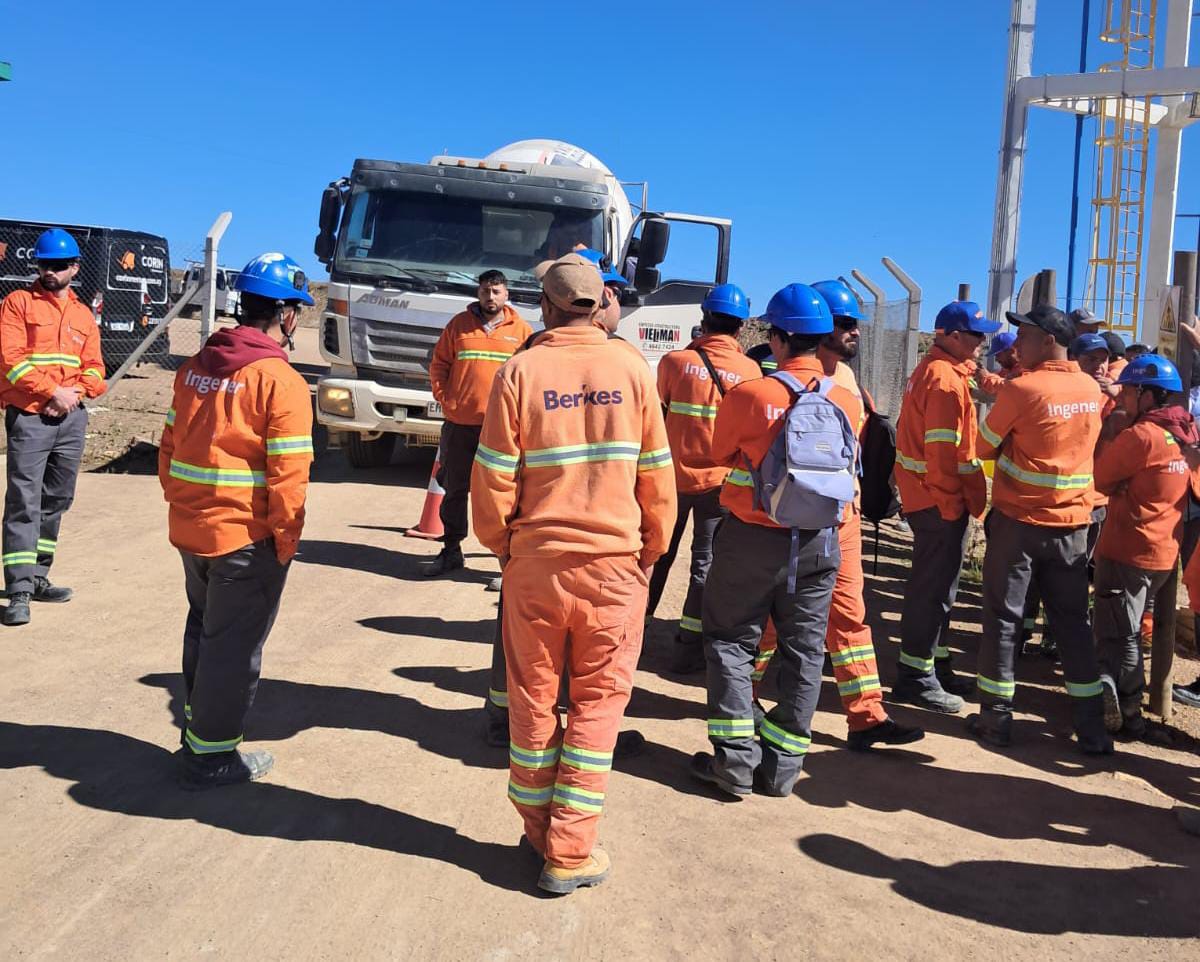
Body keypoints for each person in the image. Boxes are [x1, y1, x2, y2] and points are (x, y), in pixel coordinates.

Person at [471, 252, 675, 894]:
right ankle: (570, 849)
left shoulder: (519, 370)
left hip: (535, 565)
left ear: (546, 306)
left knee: (532, 699)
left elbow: (492, 476)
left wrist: (505, 547)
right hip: (614, 568)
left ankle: (539, 832)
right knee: (598, 707)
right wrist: (649, 553)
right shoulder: (632, 369)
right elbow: (657, 478)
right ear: (599, 305)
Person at [159, 253, 315, 789]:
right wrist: (285, 541)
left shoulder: (194, 367)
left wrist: (182, 504)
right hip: (246, 540)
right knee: (233, 647)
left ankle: (197, 734)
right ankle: (211, 757)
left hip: (192, 530)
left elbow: (168, 445)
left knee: (204, 630)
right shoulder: (280, 380)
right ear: (287, 314)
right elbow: (290, 476)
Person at [691, 283, 847, 797]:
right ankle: (781, 769)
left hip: (752, 541)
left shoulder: (752, 395)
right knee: (805, 653)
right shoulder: (846, 398)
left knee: (731, 642)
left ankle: (735, 763)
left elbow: (719, 452)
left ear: (777, 338)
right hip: (821, 542)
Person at [970, 303, 1112, 754]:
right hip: (1074, 524)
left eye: (1025, 336)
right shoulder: (1092, 388)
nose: (1017, 346)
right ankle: (1090, 728)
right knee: (1072, 624)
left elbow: (982, 445)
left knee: (1006, 618)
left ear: (1049, 339)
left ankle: (995, 719)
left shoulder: (1023, 389)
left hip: (1020, 523)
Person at [891, 301, 999, 713]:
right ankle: (915, 678)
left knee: (940, 589)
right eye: (974, 335)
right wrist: (953, 504)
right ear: (951, 336)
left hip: (930, 497)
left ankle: (935, 663)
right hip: (938, 500)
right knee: (931, 592)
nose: (981, 342)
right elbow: (942, 453)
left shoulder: (945, 370)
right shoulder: (944, 381)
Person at [648, 282, 759, 673]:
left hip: (670, 480)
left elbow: (658, 413)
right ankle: (688, 645)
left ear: (704, 319)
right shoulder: (750, 372)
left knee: (654, 554)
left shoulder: (674, 363)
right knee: (705, 564)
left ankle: (632, 633)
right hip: (720, 484)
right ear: (740, 326)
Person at [0, 228, 106, 627]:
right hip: (30, 415)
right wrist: (52, 392)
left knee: (57, 498)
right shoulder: (17, 303)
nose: (50, 271)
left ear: (74, 268)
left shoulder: (82, 314)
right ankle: (19, 589)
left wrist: (75, 392)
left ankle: (40, 575)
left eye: (58, 266)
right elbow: (11, 359)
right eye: (44, 264)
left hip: (71, 419)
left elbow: (96, 369)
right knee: (23, 501)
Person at [1092, 355, 1196, 737]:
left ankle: (1127, 709)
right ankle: (1122, 700)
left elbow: (1100, 478)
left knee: (1120, 630)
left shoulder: (1141, 436)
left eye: (1128, 392)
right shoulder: (1184, 431)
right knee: (1129, 625)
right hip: (1164, 550)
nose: (1122, 399)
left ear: (1144, 394)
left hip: (1128, 548)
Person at [427, 271, 533, 577]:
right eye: (486, 291)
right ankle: (450, 551)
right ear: (478, 292)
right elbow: (439, 365)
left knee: (506, 494)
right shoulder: (458, 326)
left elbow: (527, 376)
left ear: (506, 294)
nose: (491, 297)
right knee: (455, 488)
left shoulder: (522, 331)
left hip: (501, 429)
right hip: (460, 425)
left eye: (496, 291)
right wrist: (448, 400)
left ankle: (507, 563)